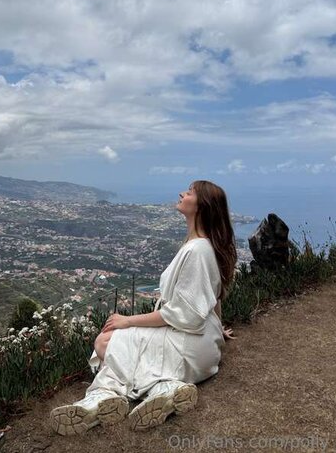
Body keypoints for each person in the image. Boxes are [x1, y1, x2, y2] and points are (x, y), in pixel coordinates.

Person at [50, 180, 237, 435]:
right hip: (201, 345)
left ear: (201, 206)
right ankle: (164, 389)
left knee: (105, 342)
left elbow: (183, 314)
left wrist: (128, 320)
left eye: (190, 192)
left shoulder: (197, 250)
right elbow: (212, 298)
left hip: (190, 346)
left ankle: (104, 394)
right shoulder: (203, 246)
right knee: (111, 341)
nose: (182, 193)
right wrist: (217, 331)